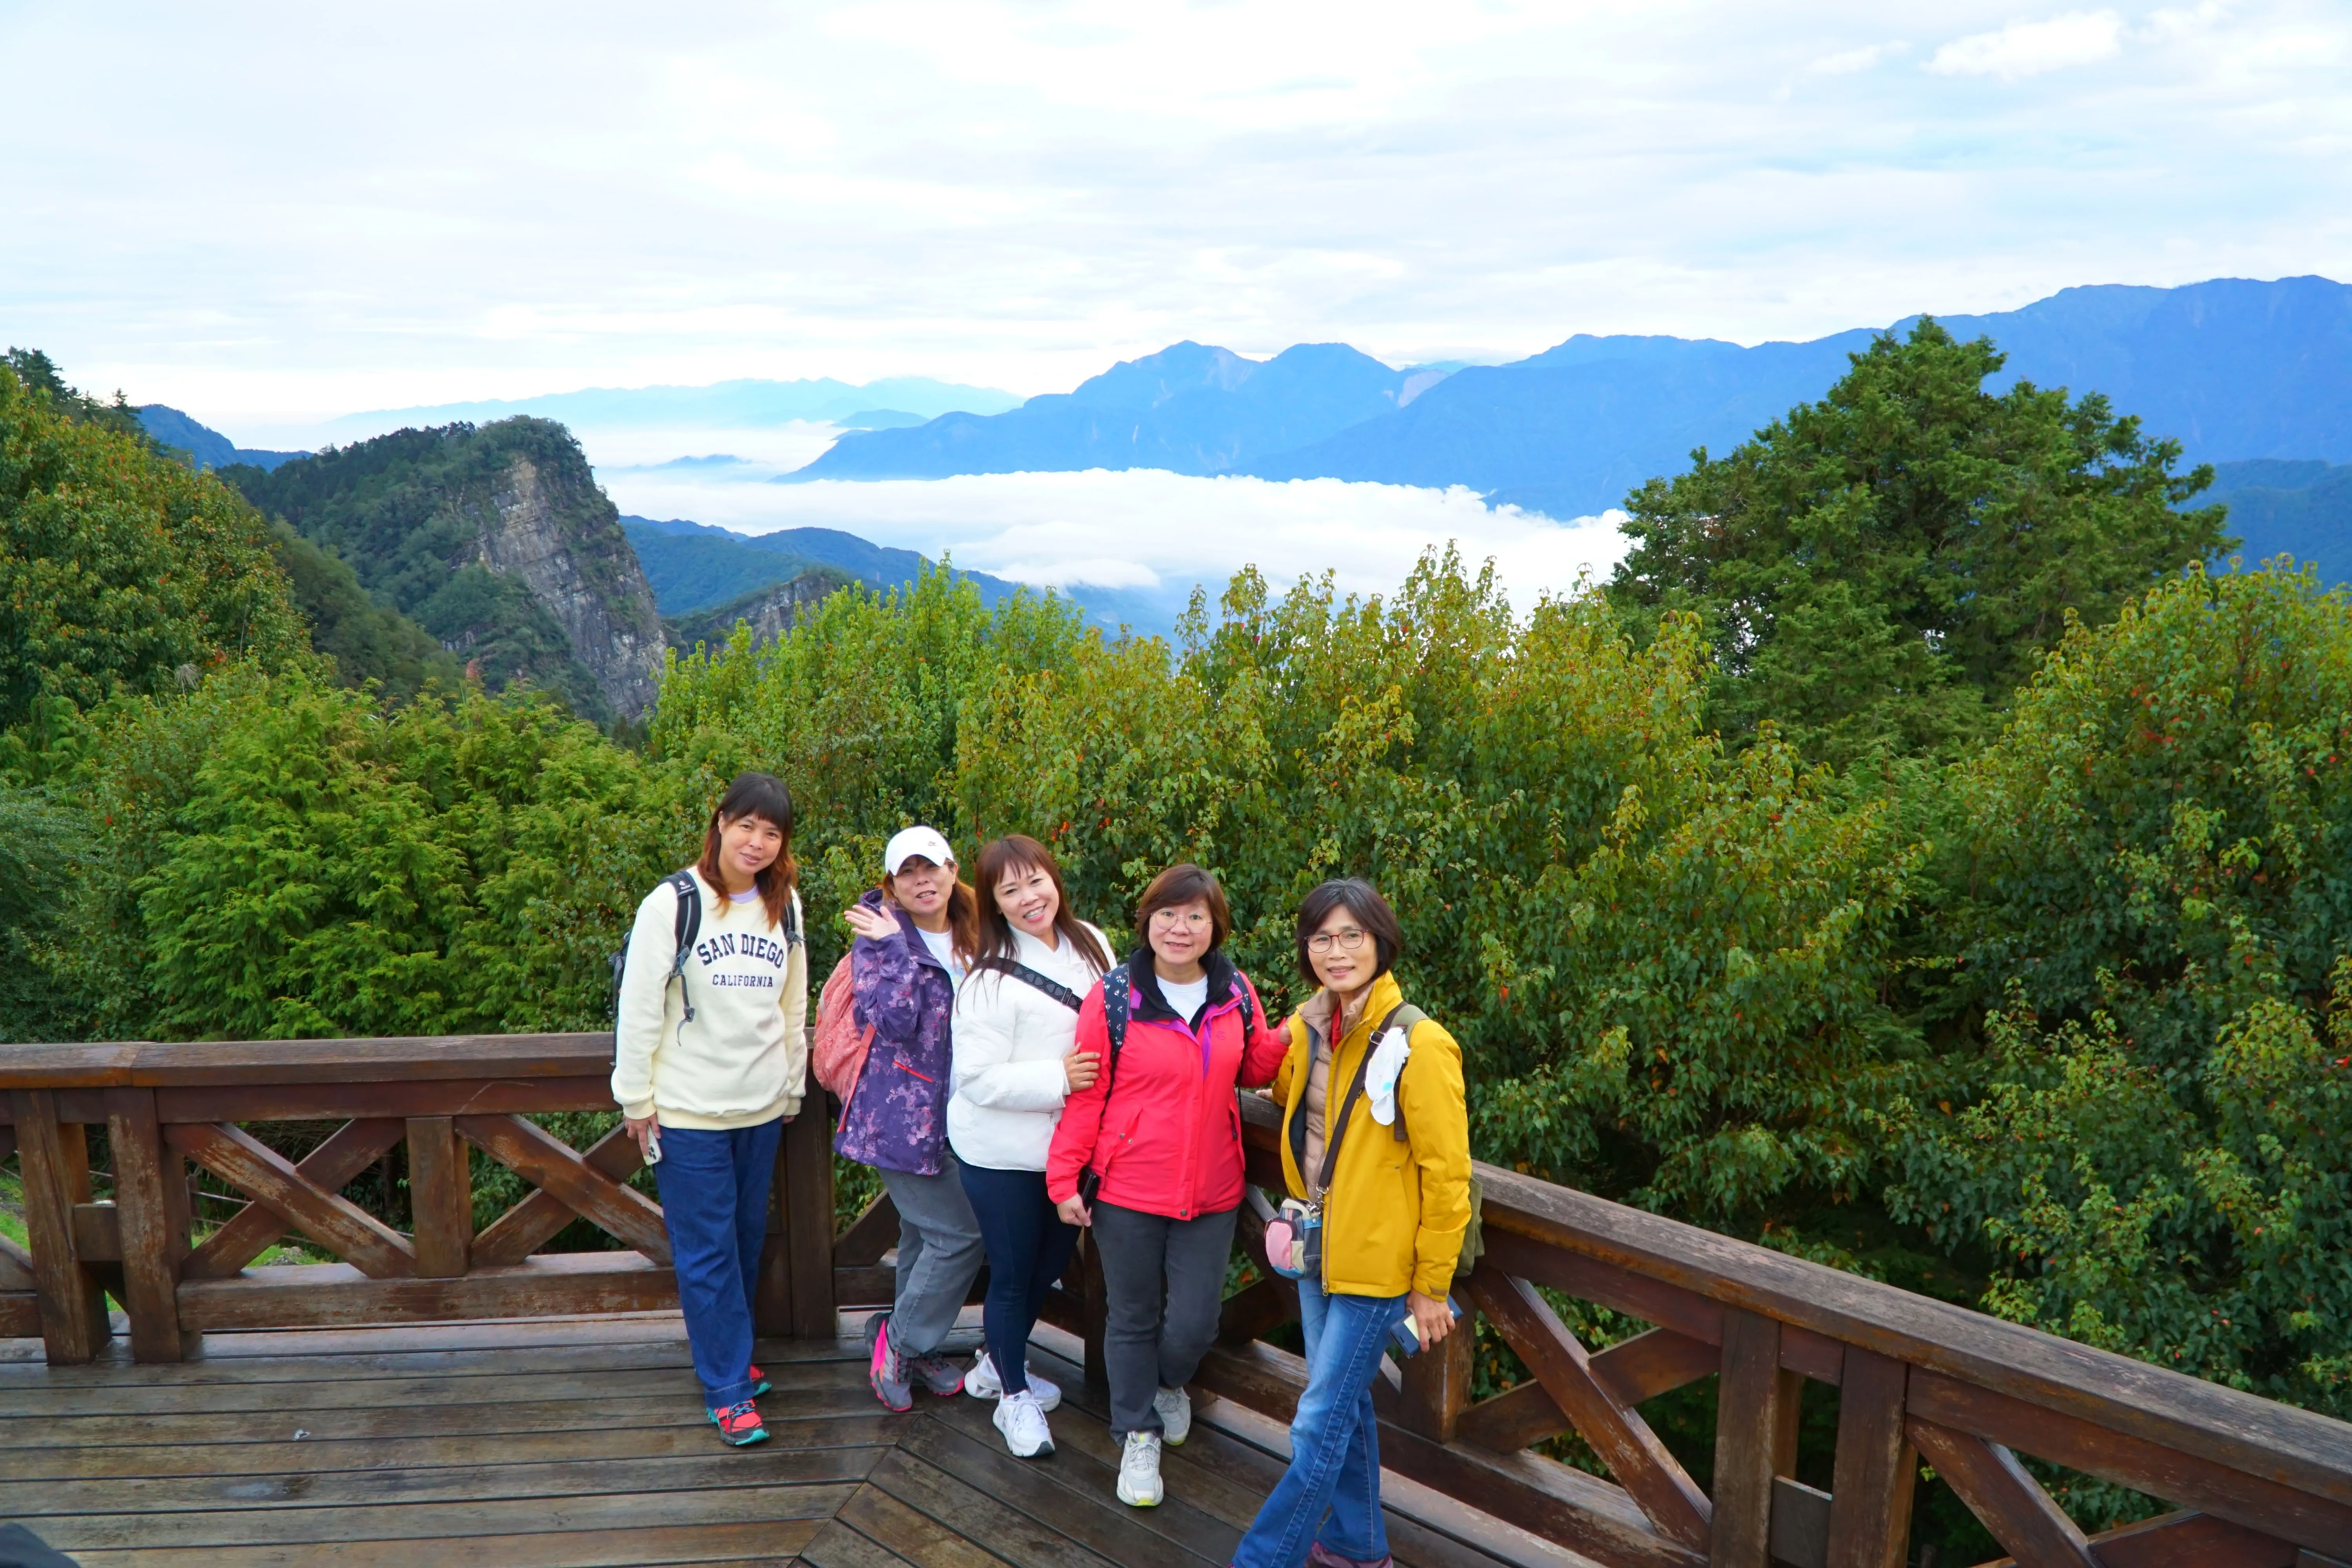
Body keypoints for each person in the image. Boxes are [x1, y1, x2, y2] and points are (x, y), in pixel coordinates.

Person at [1231, 878, 1472, 1568]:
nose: (1336, 952)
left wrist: (1429, 1286)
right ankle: (1358, 1546)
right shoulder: (1315, 1027)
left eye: (1350, 937)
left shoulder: (1422, 1045)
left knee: (1316, 1422)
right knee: (1346, 1412)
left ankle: (1262, 1560)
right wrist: (1259, 1010)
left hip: (1376, 1266)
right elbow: (1271, 1080)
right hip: (1316, 1251)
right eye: (1321, 939)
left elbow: (1448, 1178)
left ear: (1380, 941)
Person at [1047, 863, 1290, 1508]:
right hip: (1126, 1188)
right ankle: (1137, 1434)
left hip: (1213, 1190)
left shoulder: (1234, 990)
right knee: (1128, 1317)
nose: (1179, 928)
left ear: (1215, 927)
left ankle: (1168, 1383)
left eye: (1195, 917)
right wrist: (1064, 1177)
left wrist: (1302, 1028)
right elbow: (1087, 1094)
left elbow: (1257, 1062)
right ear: (1147, 921)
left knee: (1194, 1322)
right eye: (1167, 915)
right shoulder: (1114, 997)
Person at [612, 771, 810, 1448]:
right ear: (720, 821)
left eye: (771, 832)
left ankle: (731, 1357)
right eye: (746, 825)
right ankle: (726, 1386)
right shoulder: (673, 903)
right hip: (688, 1113)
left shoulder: (786, 906)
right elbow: (638, 1008)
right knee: (706, 1254)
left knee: (745, 1245)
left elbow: (793, 1005)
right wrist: (635, 1098)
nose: (756, 842)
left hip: (759, 1110)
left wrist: (792, 1086)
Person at [948, 834, 1115, 1458]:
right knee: (1017, 1275)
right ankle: (1012, 1397)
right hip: (1004, 1154)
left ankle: (996, 1363)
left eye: (1035, 881)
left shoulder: (1091, 942)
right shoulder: (986, 982)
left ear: (1055, 879)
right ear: (993, 904)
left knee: (1048, 1266)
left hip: (1070, 1149)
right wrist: (1058, 1078)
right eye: (1009, 890)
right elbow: (976, 1079)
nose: (1028, 898)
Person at [838, 825, 988, 1412]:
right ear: (892, 886)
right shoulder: (877, 941)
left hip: (962, 1116)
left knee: (924, 1235)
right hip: (897, 1123)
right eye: (909, 872)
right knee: (960, 1236)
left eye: (933, 868)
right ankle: (900, 1346)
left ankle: (914, 1345)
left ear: (954, 871)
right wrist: (897, 948)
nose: (923, 880)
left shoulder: (978, 932)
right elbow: (894, 1023)